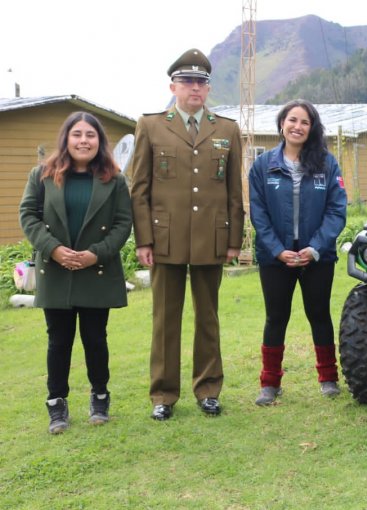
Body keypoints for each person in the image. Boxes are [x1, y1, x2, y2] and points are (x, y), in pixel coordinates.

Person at [129, 48, 245, 420]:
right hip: (165, 239)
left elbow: (233, 191)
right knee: (165, 319)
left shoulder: (226, 129)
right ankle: (163, 395)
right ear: (173, 86)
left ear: (208, 89)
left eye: (201, 82)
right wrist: (144, 239)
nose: (194, 88)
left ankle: (208, 388)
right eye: (187, 81)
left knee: (207, 317)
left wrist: (233, 241)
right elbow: (139, 188)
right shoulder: (150, 125)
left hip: (211, 238)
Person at [19, 111, 133, 434]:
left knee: (96, 339)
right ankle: (57, 404)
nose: (84, 140)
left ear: (100, 141)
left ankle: (100, 397)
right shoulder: (41, 175)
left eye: (91, 135)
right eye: (78, 134)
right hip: (56, 271)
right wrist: (53, 249)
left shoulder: (115, 179)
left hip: (95, 270)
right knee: (58, 341)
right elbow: (28, 216)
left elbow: (124, 223)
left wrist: (94, 254)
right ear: (66, 138)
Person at [249, 100, 347, 405]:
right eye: (292, 120)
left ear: (312, 128)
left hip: (317, 257)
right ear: (282, 124)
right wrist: (278, 251)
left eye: (305, 122)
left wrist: (315, 248)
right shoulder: (262, 165)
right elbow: (258, 213)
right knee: (276, 317)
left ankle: (329, 379)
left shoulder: (327, 164)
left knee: (319, 314)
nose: (298, 126)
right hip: (274, 258)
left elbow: (336, 210)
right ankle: (269, 384)